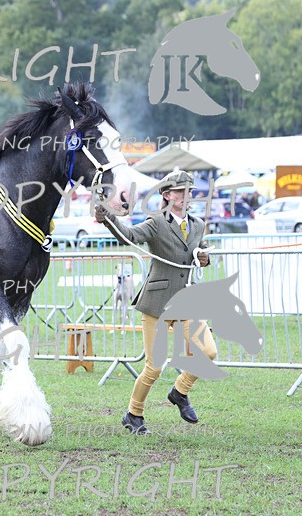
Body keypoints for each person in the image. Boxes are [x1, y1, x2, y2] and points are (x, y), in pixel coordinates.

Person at [95, 170, 215, 435]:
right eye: (180, 192)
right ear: (167, 195)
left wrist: (204, 257)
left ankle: (180, 392)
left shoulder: (198, 225)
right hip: (157, 303)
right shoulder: (156, 222)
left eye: (189, 192)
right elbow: (130, 236)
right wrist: (108, 219)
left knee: (208, 351)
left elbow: (201, 250)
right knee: (154, 367)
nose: (186, 197)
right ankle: (133, 414)